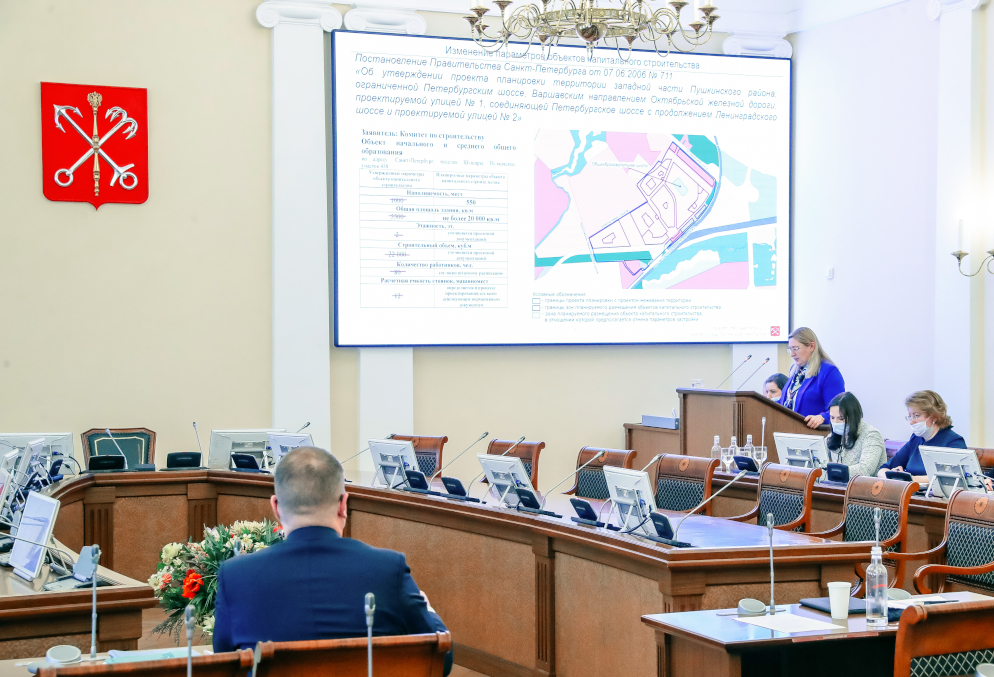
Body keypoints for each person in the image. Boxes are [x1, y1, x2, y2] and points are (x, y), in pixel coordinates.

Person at [213, 447, 452, 675]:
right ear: (343, 504)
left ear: (276, 507)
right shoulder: (388, 569)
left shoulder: (236, 575)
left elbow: (224, 663)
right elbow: (441, 659)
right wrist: (427, 608)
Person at [878, 390, 966, 484]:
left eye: (916, 416)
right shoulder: (916, 439)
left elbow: (947, 478)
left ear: (934, 416)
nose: (911, 422)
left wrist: (907, 478)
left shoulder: (954, 442)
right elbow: (882, 470)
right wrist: (893, 475)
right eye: (910, 416)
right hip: (911, 490)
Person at [778, 327, 845, 429]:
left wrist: (822, 417)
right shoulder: (795, 371)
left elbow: (839, 408)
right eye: (790, 349)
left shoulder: (828, 372)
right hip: (788, 430)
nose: (792, 354)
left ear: (812, 346)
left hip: (813, 433)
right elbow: (787, 402)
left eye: (795, 348)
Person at [825, 392, 886, 478]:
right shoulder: (832, 436)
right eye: (832, 418)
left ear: (853, 417)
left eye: (841, 418)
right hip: (838, 484)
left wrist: (835, 471)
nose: (835, 422)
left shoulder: (871, 435)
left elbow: (865, 469)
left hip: (866, 485)